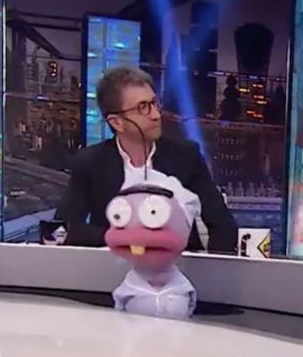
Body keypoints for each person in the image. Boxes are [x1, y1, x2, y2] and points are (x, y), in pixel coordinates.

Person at [59, 66, 237, 253]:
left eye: (154, 103)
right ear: (116, 122)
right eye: (142, 107)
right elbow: (61, 228)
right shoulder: (91, 162)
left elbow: (223, 226)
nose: (155, 115)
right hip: (112, 265)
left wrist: (210, 268)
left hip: (179, 265)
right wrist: (120, 239)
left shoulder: (185, 156)